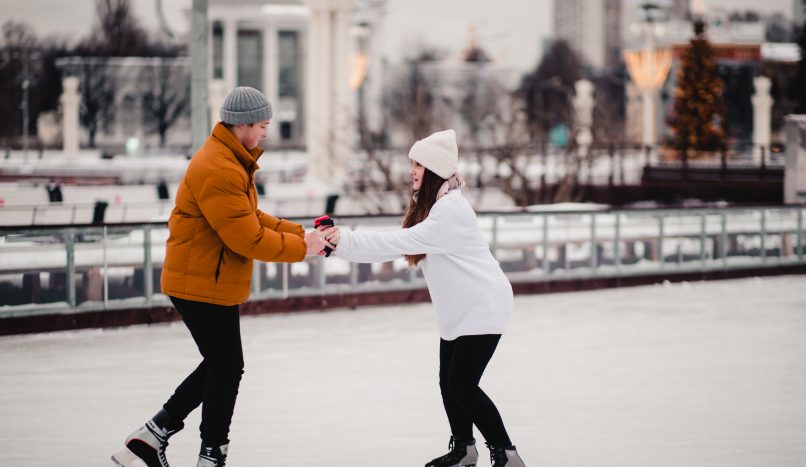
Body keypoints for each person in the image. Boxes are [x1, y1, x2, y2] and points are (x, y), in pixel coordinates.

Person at [111, 86, 331, 467]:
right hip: (200, 285)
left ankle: (154, 435)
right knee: (227, 366)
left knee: (221, 363)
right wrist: (304, 248)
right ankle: (209, 454)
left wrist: (301, 234)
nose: (265, 132)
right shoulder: (219, 167)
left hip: (206, 281)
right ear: (244, 125)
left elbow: (251, 218)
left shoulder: (229, 161)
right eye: (262, 124)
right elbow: (248, 238)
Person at [321, 129, 525, 467]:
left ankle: (506, 454)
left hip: (483, 306)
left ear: (433, 169)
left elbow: (392, 244)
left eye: (418, 164)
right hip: (460, 311)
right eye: (412, 163)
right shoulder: (434, 208)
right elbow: (395, 243)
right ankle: (464, 450)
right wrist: (339, 244)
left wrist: (342, 240)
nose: (412, 170)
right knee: (449, 382)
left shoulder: (450, 212)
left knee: (462, 384)